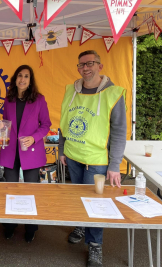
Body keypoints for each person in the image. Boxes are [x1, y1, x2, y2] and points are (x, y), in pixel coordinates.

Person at [59, 50, 126, 267]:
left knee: (95, 203)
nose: (85, 68)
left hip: (97, 160)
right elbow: (64, 125)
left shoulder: (113, 93)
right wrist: (61, 150)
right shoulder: (71, 90)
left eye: (89, 63)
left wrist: (114, 164)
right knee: (77, 199)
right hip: (73, 156)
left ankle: (95, 245)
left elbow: (118, 130)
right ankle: (81, 225)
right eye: (81, 65)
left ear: (100, 65)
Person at [0, 65, 51, 243]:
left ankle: (31, 226)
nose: (22, 79)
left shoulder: (39, 99)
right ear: (15, 78)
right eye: (20, 75)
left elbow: (46, 125)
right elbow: (6, 123)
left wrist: (34, 138)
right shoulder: (9, 99)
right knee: (10, 190)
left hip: (30, 151)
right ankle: (10, 225)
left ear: (30, 80)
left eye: (26, 76)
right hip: (11, 151)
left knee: (30, 190)